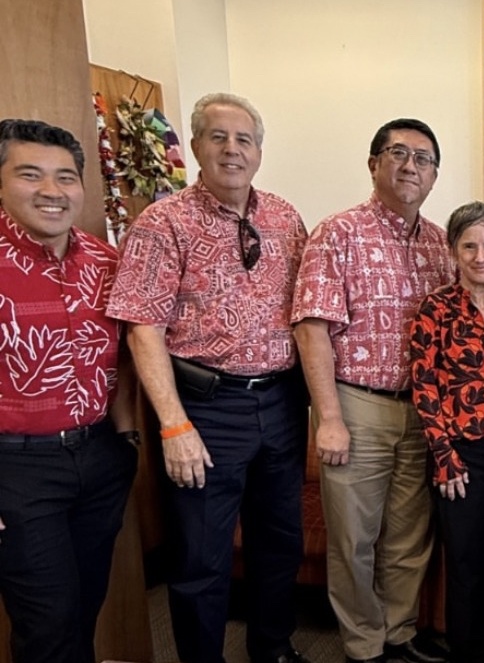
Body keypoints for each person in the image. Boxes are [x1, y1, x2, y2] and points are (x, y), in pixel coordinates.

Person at [108, 93, 310, 663]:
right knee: (202, 554)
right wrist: (173, 425)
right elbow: (142, 330)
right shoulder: (162, 222)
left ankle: (272, 647)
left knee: (279, 544)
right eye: (218, 137)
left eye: (244, 139)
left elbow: (307, 310)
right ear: (195, 146)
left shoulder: (284, 217)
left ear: (260, 151)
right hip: (206, 408)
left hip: (280, 404)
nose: (232, 149)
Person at [291, 118, 454, 663]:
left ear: (434, 175)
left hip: (422, 412)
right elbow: (312, 327)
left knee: (410, 537)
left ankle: (400, 634)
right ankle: (364, 645)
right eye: (398, 153)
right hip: (356, 406)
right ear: (374, 164)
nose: (411, 166)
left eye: (424, 158)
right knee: (354, 539)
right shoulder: (337, 232)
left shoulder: (439, 244)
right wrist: (329, 417)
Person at [0, 119, 139, 663]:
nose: (52, 192)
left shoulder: (106, 262)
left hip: (100, 455)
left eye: (65, 177)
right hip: (16, 469)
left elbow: (128, 355)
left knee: (85, 604)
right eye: (31, 175)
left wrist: (127, 440)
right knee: (47, 622)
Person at [409, 202, 484, 663]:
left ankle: (477, 644)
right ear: (454, 250)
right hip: (458, 457)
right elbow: (424, 386)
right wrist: (443, 455)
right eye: (470, 246)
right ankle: (466, 652)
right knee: (462, 561)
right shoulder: (434, 309)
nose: (481, 255)